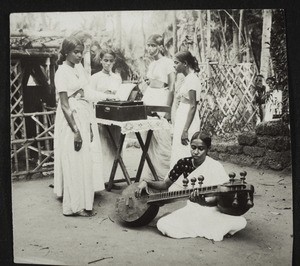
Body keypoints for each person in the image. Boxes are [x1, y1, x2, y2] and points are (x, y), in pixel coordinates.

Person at [135, 131, 247, 241]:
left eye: (201, 149)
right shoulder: (183, 163)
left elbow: (221, 199)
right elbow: (165, 184)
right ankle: (215, 227)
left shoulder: (215, 166)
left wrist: (203, 202)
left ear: (208, 149)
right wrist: (146, 182)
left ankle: (212, 226)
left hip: (211, 209)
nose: (196, 152)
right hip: (193, 208)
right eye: (193, 147)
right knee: (163, 224)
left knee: (240, 222)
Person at [53, 35, 115, 217]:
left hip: (83, 114)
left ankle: (83, 202)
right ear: (66, 52)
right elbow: (64, 104)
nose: (79, 55)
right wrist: (76, 131)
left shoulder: (79, 69)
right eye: (76, 52)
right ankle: (74, 206)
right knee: (73, 160)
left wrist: (110, 97)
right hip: (70, 118)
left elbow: (87, 93)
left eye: (81, 52)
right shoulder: (61, 72)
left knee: (83, 161)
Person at [141, 34, 176, 181]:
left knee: (162, 139)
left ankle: (166, 176)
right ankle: (152, 174)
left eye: (153, 45)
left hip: (161, 99)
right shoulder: (151, 64)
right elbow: (150, 84)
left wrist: (167, 110)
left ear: (160, 47)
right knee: (147, 138)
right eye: (148, 45)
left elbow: (172, 86)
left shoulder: (167, 62)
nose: (150, 48)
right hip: (149, 97)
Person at [169, 51, 202, 189]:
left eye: (176, 63)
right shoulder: (186, 78)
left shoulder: (193, 79)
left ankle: (190, 183)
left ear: (185, 63)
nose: (174, 66)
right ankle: (179, 182)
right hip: (182, 116)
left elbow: (193, 106)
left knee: (187, 148)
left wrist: (185, 130)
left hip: (188, 119)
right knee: (178, 148)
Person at [89, 48, 122, 183]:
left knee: (116, 143)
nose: (108, 64)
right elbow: (91, 97)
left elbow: (120, 95)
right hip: (101, 114)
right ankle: (103, 178)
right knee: (103, 145)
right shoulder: (94, 77)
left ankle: (115, 176)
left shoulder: (117, 77)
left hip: (116, 114)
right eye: (105, 60)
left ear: (114, 62)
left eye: (111, 61)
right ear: (101, 61)